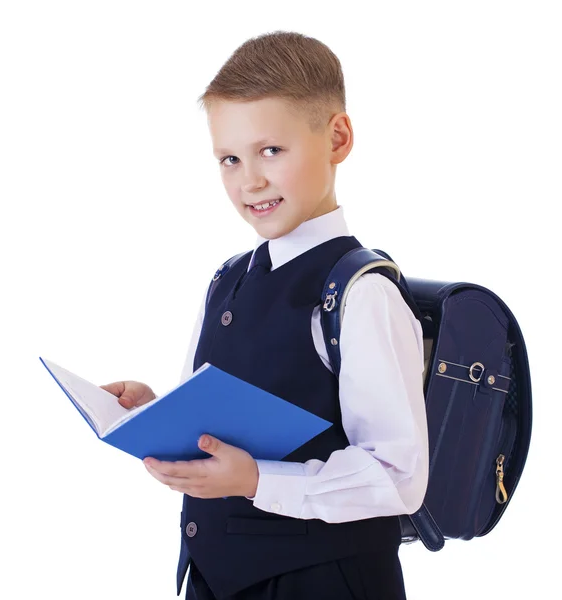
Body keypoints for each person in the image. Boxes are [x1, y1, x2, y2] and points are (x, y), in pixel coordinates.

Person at [101, 30, 429, 600]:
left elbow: (399, 478)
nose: (249, 180)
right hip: (215, 579)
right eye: (229, 158)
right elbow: (223, 425)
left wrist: (257, 481)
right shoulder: (227, 279)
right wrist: (156, 416)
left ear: (338, 137)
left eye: (270, 151)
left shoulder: (360, 293)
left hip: (327, 583)